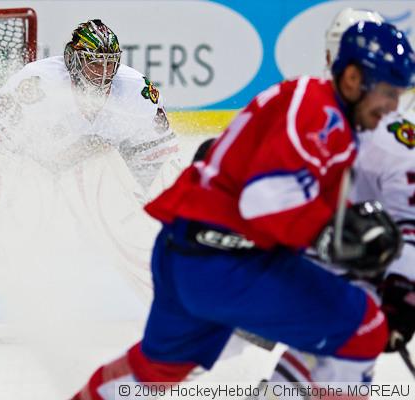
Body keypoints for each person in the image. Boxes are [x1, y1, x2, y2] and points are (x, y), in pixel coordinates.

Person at [72, 21, 415, 400]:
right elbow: (265, 199)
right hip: (227, 264)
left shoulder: (312, 104)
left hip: (185, 251)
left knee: (154, 372)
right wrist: (339, 236)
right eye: (386, 92)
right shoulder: (321, 111)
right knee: (363, 328)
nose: (392, 106)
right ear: (352, 78)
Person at [0, 19, 178, 334]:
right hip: (26, 170)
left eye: (110, 65)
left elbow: (158, 155)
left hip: (85, 184)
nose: (104, 74)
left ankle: (181, 299)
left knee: (131, 227)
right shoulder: (40, 84)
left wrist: (153, 204)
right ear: (73, 61)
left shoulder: (136, 92)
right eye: (95, 65)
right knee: (9, 232)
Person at [248, 8, 415, 392]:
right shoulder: (300, 110)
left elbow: (410, 222)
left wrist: (402, 292)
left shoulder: (390, 139)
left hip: (352, 286)